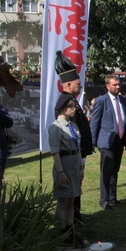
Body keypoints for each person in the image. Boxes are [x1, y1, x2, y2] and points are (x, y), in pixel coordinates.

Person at [54, 51, 92, 223]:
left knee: (74, 193)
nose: (80, 86)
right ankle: (71, 223)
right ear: (68, 84)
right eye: (78, 83)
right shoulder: (66, 103)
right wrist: (81, 160)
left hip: (76, 155)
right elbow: (73, 135)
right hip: (70, 157)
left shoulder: (72, 101)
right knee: (69, 197)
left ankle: (74, 220)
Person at [89, 75, 126, 210]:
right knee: (106, 171)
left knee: (115, 170)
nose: (117, 87)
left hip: (119, 140)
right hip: (106, 141)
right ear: (107, 86)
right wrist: (92, 142)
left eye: (119, 84)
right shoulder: (101, 101)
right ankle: (104, 200)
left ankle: (113, 198)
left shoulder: (123, 100)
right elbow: (94, 122)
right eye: (114, 85)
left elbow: (125, 120)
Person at [49, 94, 81, 237]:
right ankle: (61, 230)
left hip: (74, 163)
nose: (74, 109)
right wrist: (60, 172)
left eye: (74, 106)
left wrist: (81, 167)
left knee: (72, 198)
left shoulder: (73, 126)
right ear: (62, 108)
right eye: (71, 106)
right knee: (63, 199)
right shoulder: (56, 127)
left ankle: (70, 228)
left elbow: (78, 148)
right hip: (64, 163)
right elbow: (55, 151)